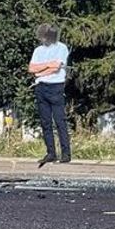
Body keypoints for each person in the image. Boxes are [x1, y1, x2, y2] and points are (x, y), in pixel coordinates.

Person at [27, 24, 71, 167]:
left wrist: (40, 72)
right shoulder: (38, 50)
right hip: (41, 88)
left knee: (60, 121)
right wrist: (47, 66)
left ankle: (66, 153)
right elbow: (31, 68)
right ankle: (51, 153)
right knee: (45, 122)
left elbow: (56, 67)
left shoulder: (61, 48)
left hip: (56, 87)